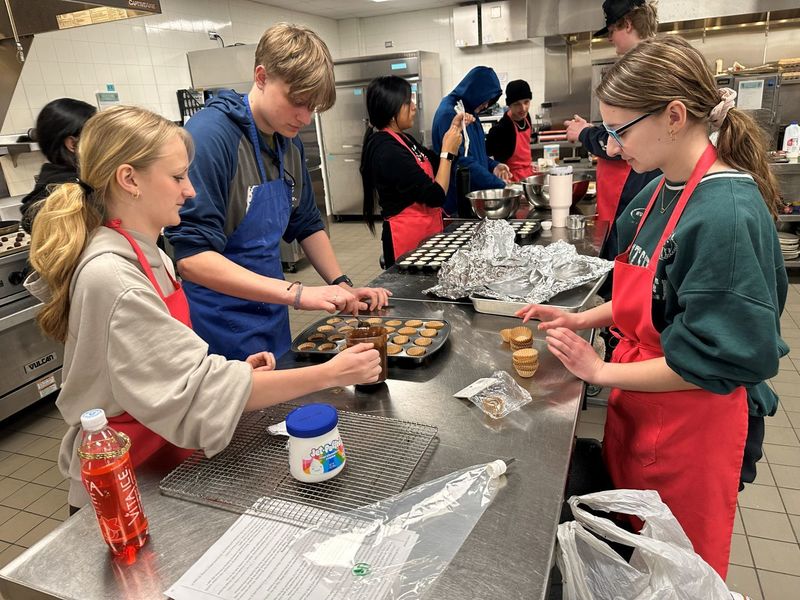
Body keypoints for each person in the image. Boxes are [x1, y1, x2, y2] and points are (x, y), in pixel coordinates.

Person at [516, 36, 788, 579]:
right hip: (641, 414)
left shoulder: (726, 216)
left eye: (620, 130)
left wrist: (599, 369)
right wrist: (581, 318)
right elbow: (644, 295)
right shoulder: (659, 191)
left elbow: (713, 361)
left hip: (693, 428)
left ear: (674, 116)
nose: (612, 146)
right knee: (635, 561)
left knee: (676, 572)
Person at [24, 105, 381, 510]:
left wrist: (236, 374)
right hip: (125, 481)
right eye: (177, 176)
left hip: (161, 455)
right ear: (129, 179)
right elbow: (195, 395)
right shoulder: (114, 276)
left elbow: (161, 372)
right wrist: (331, 373)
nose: (191, 190)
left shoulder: (147, 252)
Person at [164, 23, 390, 361]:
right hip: (222, 322)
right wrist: (299, 294)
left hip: (272, 308)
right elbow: (193, 259)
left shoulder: (288, 141)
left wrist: (341, 283)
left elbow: (307, 223)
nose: (305, 117)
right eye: (297, 102)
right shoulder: (211, 137)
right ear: (261, 76)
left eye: (313, 107)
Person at [564, 0, 660, 264]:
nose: (609, 39)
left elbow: (624, 142)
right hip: (633, 192)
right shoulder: (649, 63)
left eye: (611, 31)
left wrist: (584, 133)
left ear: (627, 24)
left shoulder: (642, 72)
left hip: (632, 191)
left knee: (625, 259)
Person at [360, 76, 472, 266]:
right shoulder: (386, 149)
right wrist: (447, 152)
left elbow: (438, 164)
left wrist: (454, 130)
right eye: (407, 102)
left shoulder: (404, 139)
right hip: (406, 240)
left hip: (426, 234)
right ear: (391, 107)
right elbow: (436, 195)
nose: (414, 106)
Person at [431, 66, 512, 215]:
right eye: (485, 100)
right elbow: (461, 162)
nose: (486, 105)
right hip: (457, 205)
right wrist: (499, 186)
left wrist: (494, 166)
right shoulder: (449, 114)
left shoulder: (469, 110)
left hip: (472, 199)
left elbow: (475, 154)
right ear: (476, 91)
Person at [20, 98, 96, 233]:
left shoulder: (57, 181)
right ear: (72, 144)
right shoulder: (70, 192)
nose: (104, 143)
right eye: (97, 135)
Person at [486, 79, 535, 182]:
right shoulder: (502, 129)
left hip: (529, 175)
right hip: (512, 180)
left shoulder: (527, 118)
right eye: (517, 104)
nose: (523, 108)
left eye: (526, 102)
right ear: (509, 105)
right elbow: (486, 155)